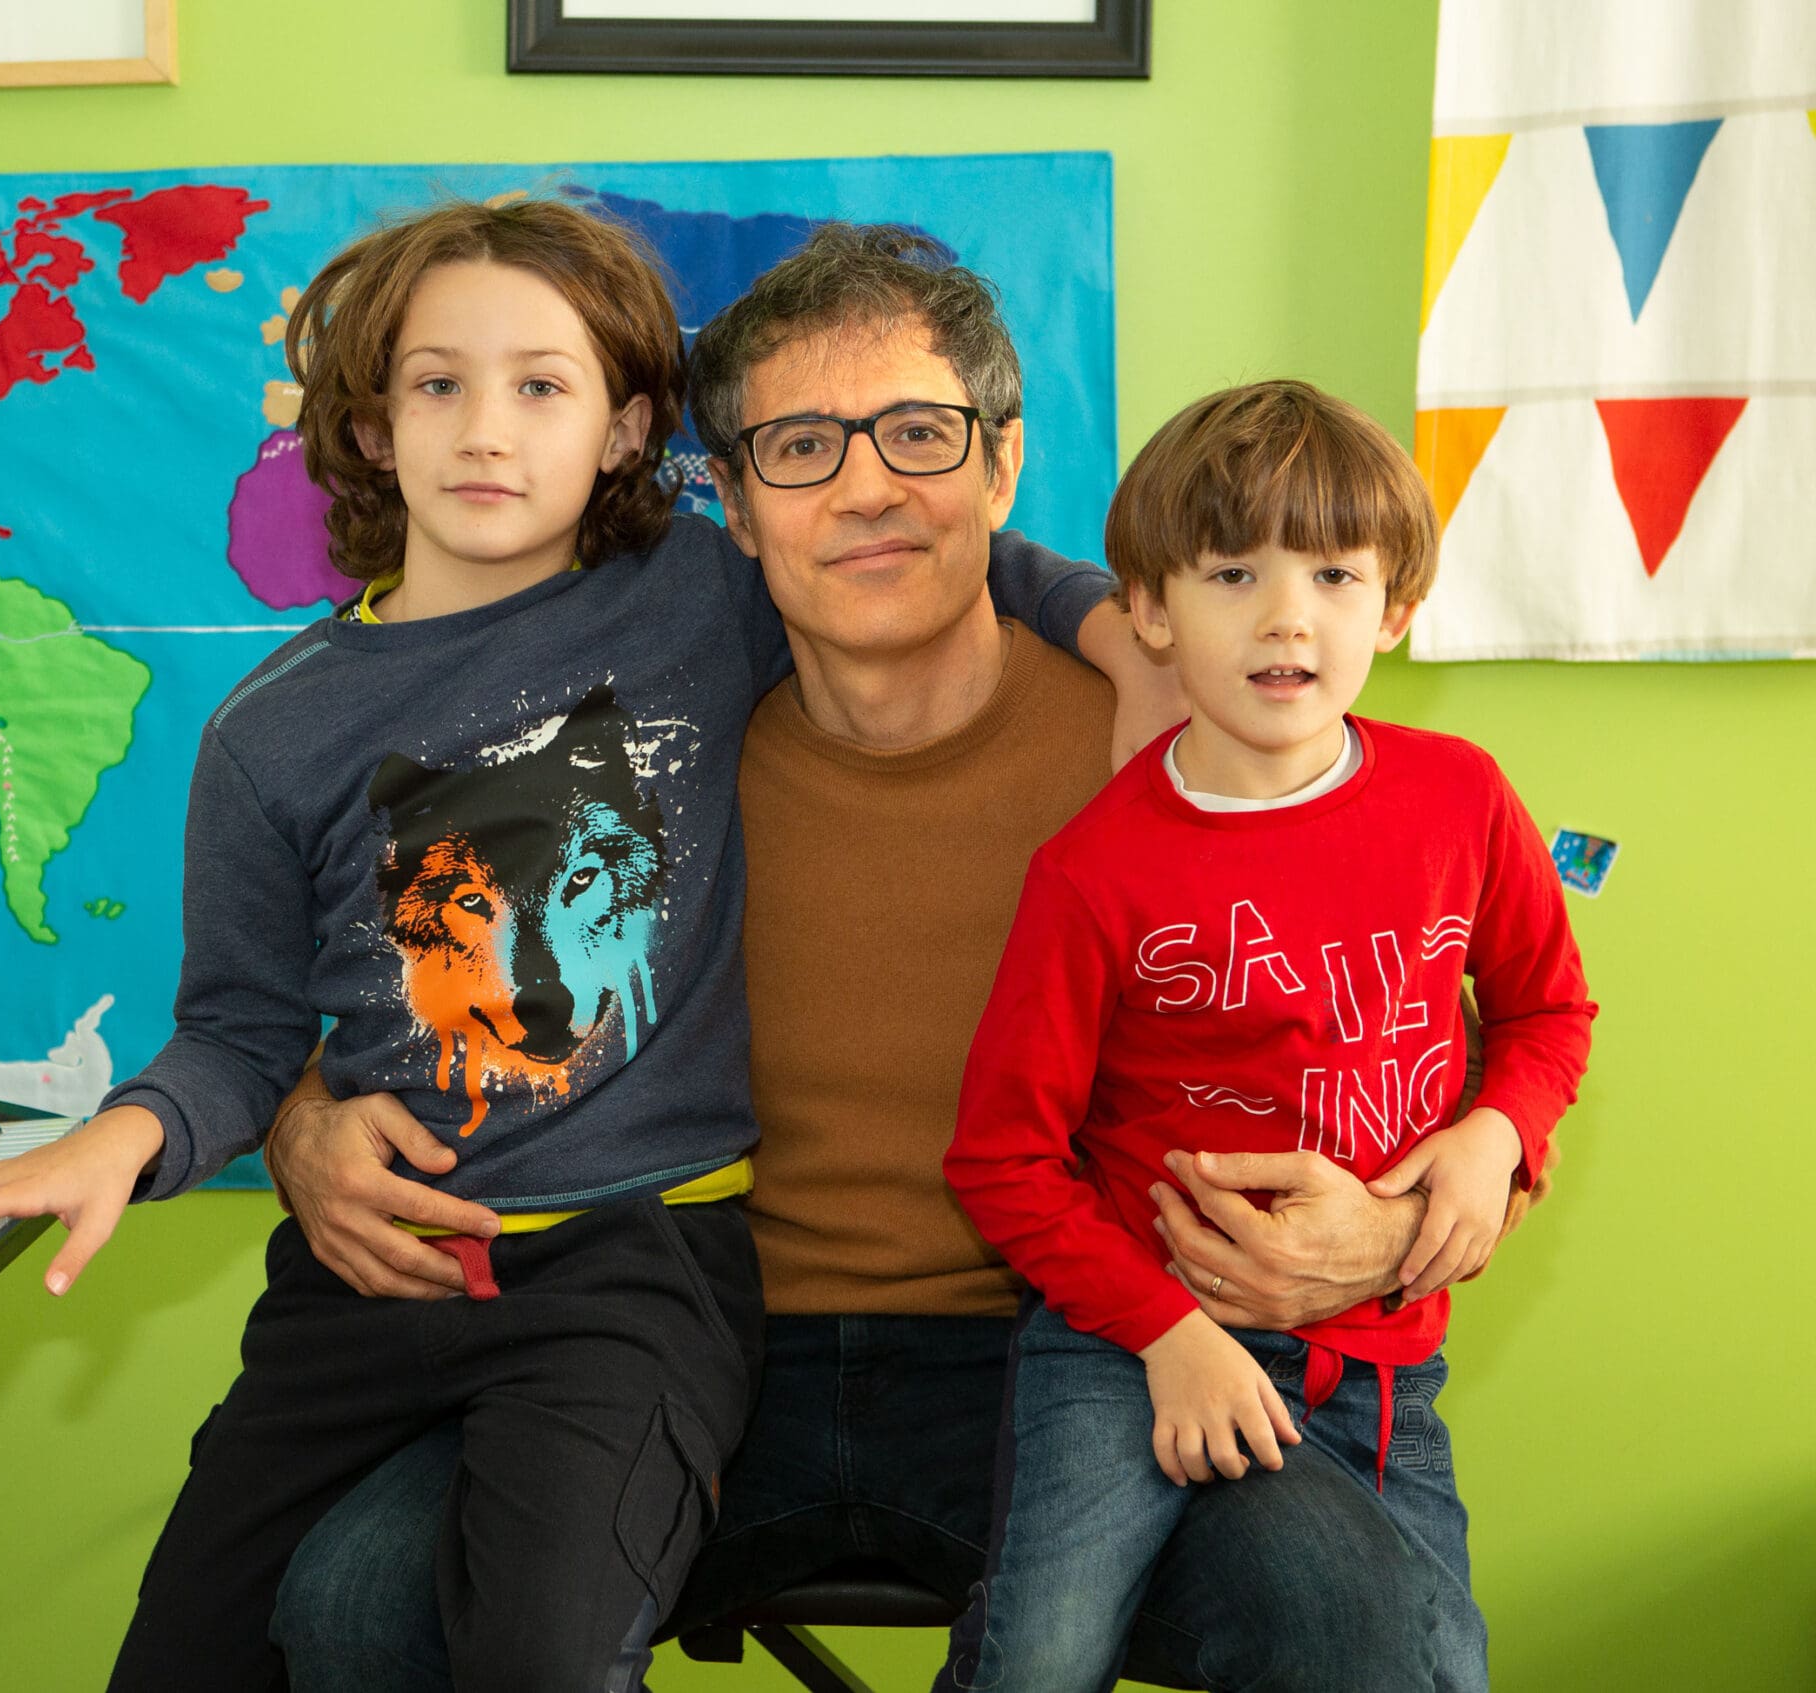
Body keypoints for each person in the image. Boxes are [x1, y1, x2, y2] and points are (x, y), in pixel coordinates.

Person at [267, 233, 1543, 1692]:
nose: (867, 488)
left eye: (920, 435)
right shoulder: (654, 753)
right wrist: (307, 1113)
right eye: (800, 447)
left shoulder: (1171, 751)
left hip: (1074, 1358)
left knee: (1370, 1627)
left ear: (1001, 471)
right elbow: (444, 995)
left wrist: (1419, 1213)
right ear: (731, 509)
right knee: (359, 1595)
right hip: (693, 1352)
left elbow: (1425, 1017)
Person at [0, 201, 1102, 1691]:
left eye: (541, 386)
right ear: (372, 424)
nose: (484, 429)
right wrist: (127, 1135)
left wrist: (1121, 630)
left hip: (632, 1270)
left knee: (541, 1654)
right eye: (436, 383)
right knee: (188, 1657)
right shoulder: (269, 734)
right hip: (368, 1283)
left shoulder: (702, 602)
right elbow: (240, 1032)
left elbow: (945, 544)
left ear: (626, 429)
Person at [943, 380, 1597, 1693]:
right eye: (1233, 570)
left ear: (1397, 609)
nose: (1288, 614)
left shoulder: (1459, 799)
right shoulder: (1095, 872)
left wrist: (1494, 1134)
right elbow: (999, 1160)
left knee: (1440, 1667)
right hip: (1128, 1346)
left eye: (1337, 575)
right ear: (1152, 608)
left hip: (1379, 1365)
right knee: (1040, 1656)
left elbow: (1547, 1011)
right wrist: (1170, 1331)